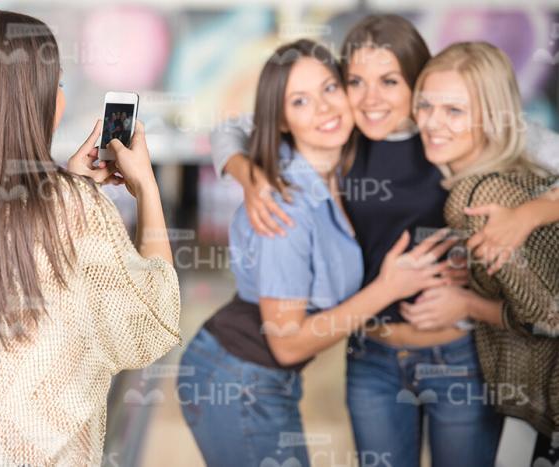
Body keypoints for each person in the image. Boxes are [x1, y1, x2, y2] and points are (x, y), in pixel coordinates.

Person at [210, 15, 558, 467]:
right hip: (372, 356)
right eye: (355, 81)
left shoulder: (449, 131)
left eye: (390, 81)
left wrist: (527, 215)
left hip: (458, 357)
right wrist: (248, 174)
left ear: (419, 83)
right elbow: (233, 128)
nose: (370, 99)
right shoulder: (342, 133)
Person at [0, 9, 181, 466]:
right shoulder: (75, 210)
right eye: (57, 84)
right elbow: (150, 322)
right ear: (33, 98)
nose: (59, 97)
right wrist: (147, 191)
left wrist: (62, 186)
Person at [177, 38, 457, 467]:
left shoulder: (337, 167)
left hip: (261, 378)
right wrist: (389, 288)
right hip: (236, 380)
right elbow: (288, 345)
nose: (325, 108)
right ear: (283, 120)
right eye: (301, 101)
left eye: (330, 88)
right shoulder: (283, 206)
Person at [410, 40, 559, 465]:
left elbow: (550, 319)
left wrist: (467, 303)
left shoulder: (476, 198)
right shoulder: (513, 177)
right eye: (425, 105)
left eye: (454, 111)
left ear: (492, 118)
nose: (431, 123)